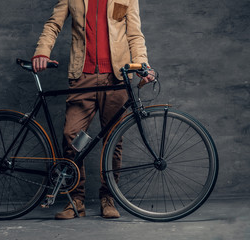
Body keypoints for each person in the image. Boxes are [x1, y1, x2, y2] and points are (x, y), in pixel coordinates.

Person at [32, 0, 155, 219]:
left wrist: (141, 64)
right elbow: (54, 24)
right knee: (71, 136)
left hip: (117, 78)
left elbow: (135, 34)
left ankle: (108, 197)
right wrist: (42, 51)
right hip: (82, 77)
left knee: (113, 140)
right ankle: (75, 199)